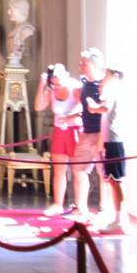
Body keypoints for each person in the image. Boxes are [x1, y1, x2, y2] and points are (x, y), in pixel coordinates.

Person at [78, 48, 127, 229]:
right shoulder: (109, 89)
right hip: (109, 139)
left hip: (114, 139)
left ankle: (119, 219)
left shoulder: (113, 89)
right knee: (111, 179)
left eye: (107, 74)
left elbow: (106, 109)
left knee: (115, 180)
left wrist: (92, 106)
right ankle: (117, 217)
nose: (104, 77)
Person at [38, 62, 92, 218]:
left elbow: (85, 108)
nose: (56, 86)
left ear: (66, 76)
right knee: (59, 170)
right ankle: (58, 204)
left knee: (78, 171)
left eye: (58, 82)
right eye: (53, 83)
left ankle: (81, 207)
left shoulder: (75, 87)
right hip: (59, 131)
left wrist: (70, 117)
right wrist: (42, 85)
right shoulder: (52, 89)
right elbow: (38, 106)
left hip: (75, 130)